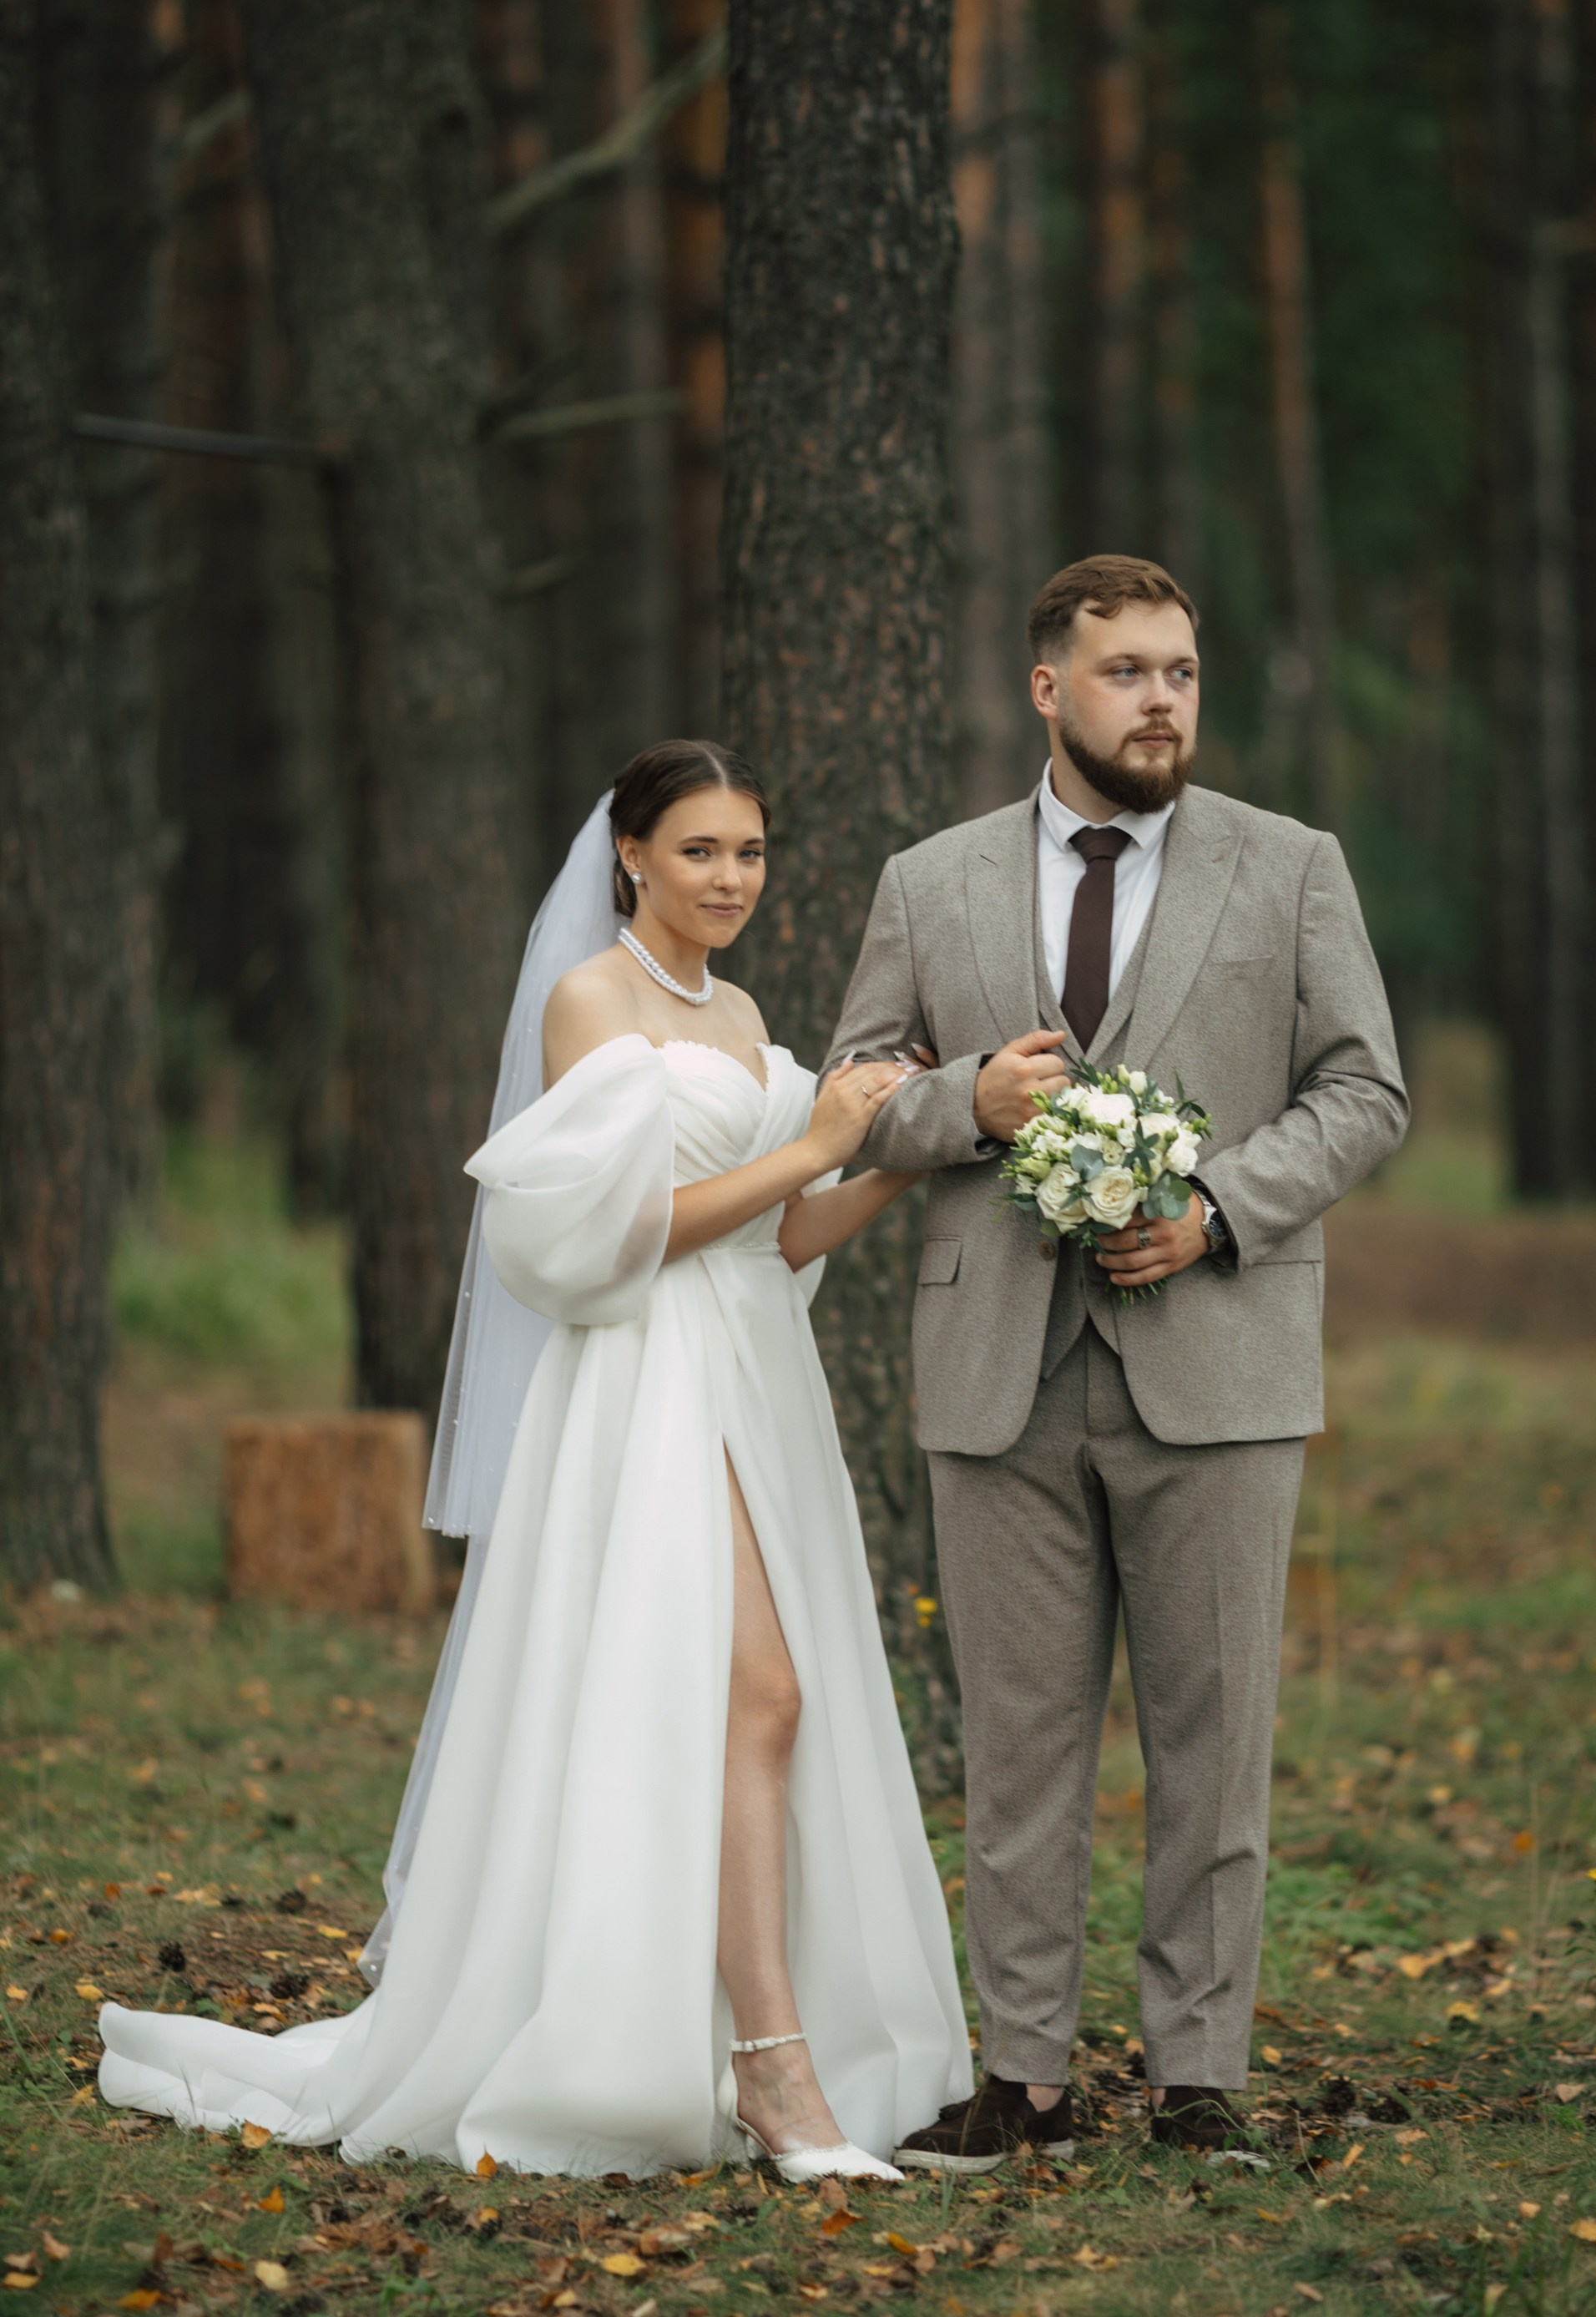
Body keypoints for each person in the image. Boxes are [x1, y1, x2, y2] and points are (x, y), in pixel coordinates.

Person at [98, 741, 971, 2183]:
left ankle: (752, 2049)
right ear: (631, 855)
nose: (731, 879)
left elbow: (782, 1236)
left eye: (750, 852)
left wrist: (887, 1159)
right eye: (700, 851)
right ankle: (773, 2074)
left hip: (756, 1378)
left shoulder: (744, 1009)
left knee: (754, 1706)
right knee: (757, 1692)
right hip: (647, 1385)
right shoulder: (592, 1003)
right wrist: (812, 1132)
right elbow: (610, 1236)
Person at [828, 554, 1407, 2164]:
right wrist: (970, 1107)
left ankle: (1197, 2078)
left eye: (1182, 671)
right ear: (1048, 690)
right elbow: (856, 1089)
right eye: (1130, 671)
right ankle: (1023, 2077)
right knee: (1016, 1743)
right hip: (995, 1363)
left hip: (1217, 1365)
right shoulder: (928, 880)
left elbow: (1366, 1090)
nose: (1164, 700)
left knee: (1215, 1743)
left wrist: (1217, 1210)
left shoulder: (1290, 868)